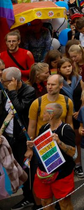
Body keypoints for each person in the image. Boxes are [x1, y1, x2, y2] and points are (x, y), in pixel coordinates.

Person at [25, 102, 76, 210]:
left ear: (51, 115)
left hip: (62, 174)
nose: (42, 115)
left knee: (64, 204)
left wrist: (59, 142)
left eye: (44, 113)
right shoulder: (44, 128)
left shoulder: (66, 130)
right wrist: (33, 144)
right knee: (45, 202)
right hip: (44, 173)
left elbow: (72, 152)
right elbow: (42, 146)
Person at [1, 67, 37, 209]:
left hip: (23, 139)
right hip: (9, 137)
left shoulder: (29, 91)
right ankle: (26, 196)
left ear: (13, 81)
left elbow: (19, 108)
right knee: (17, 170)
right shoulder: (4, 91)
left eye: (4, 81)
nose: (1, 83)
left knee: (27, 170)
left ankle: (34, 199)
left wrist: (12, 91)